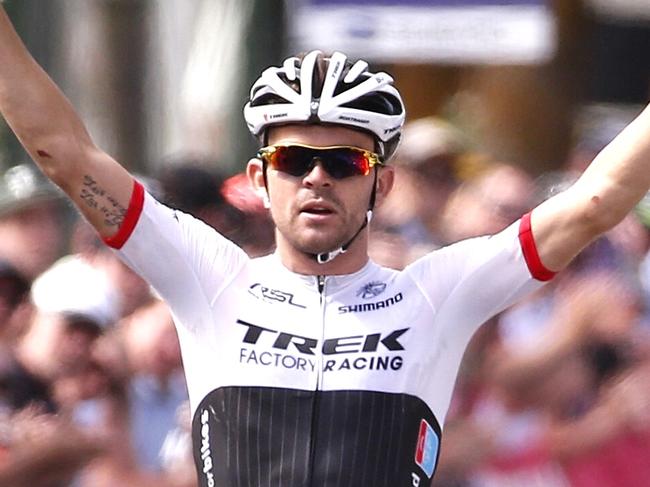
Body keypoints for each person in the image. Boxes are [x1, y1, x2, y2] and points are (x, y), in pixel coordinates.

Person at [1, 7, 650, 486]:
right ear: (260, 178)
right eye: (293, 160)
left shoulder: (434, 292)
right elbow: (66, 155)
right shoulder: (210, 275)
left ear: (382, 183)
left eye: (344, 161)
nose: (316, 177)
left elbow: (594, 202)